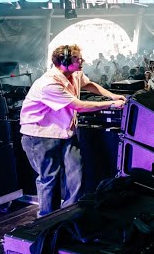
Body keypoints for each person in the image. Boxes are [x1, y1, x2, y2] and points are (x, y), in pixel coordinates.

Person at [19, 44, 126, 217]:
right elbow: (80, 106)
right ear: (65, 61)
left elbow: (89, 84)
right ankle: (47, 219)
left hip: (65, 131)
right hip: (39, 136)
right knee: (49, 179)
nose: (82, 61)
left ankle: (69, 214)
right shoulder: (49, 84)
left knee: (76, 173)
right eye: (78, 59)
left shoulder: (75, 74)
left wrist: (112, 95)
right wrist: (111, 104)